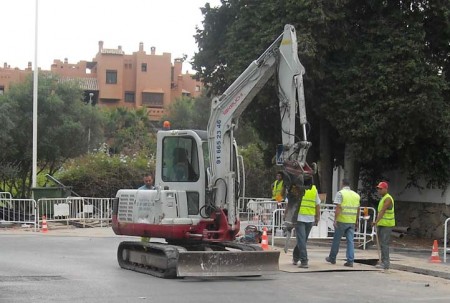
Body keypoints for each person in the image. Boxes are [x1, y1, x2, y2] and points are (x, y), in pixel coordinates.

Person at [326, 179, 360, 267]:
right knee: (350, 241)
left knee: (336, 240)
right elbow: (358, 209)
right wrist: (356, 220)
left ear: (342, 184)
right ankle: (350, 260)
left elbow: (338, 207)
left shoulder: (340, 193)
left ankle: (332, 258)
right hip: (351, 221)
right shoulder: (356, 195)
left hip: (342, 220)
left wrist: (335, 220)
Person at [292, 184, 321, 268]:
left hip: (301, 217)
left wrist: (287, 215)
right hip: (307, 218)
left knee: (302, 240)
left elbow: (290, 203)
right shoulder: (313, 188)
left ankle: (296, 257)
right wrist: (317, 216)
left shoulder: (296, 187)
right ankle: (304, 260)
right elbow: (317, 204)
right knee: (302, 240)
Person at [373, 181, 395, 271]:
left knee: (384, 244)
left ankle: (385, 263)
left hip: (387, 225)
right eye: (378, 189)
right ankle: (383, 262)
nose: (379, 190)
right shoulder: (383, 198)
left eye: (381, 189)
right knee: (382, 244)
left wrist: (376, 221)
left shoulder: (388, 199)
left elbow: (382, 211)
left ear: (386, 189)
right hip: (382, 224)